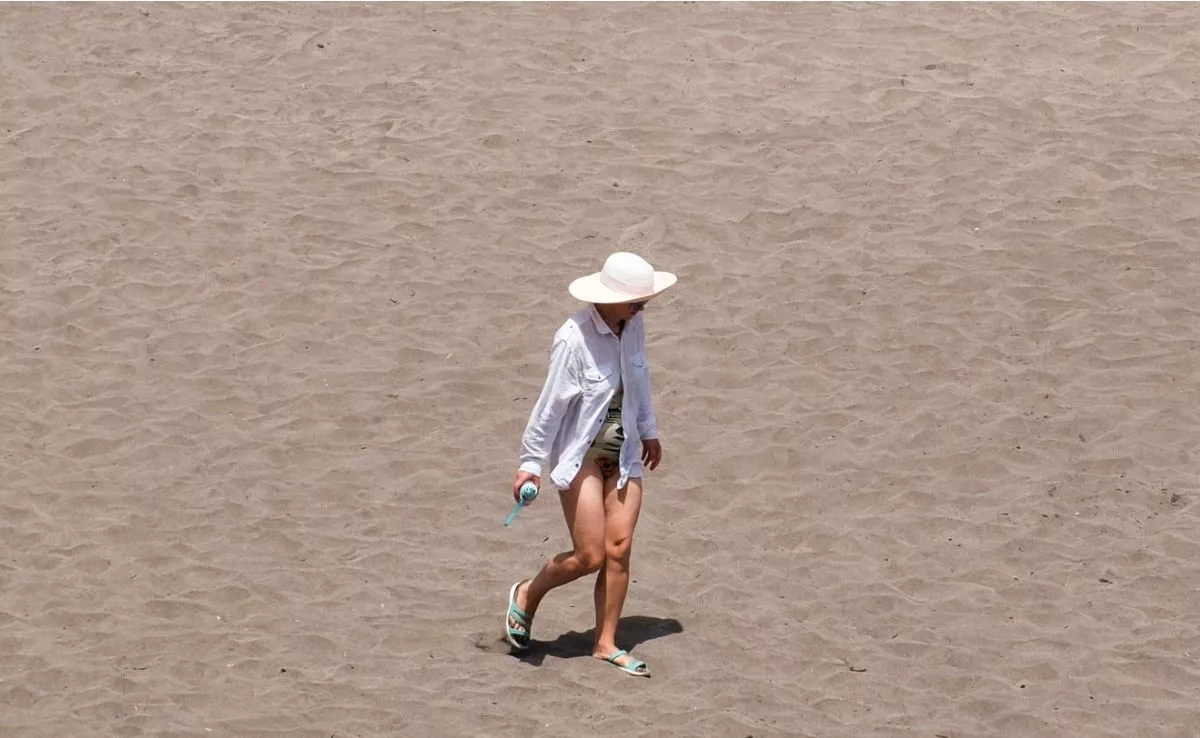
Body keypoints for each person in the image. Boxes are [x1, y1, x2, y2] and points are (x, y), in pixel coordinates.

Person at [504, 251, 677, 678]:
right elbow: (550, 407)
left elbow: (640, 381)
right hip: (582, 455)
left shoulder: (633, 326)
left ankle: (605, 643)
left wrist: (649, 430)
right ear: (610, 299)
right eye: (636, 302)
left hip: (625, 454)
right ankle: (528, 593)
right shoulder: (573, 338)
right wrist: (530, 462)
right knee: (589, 555)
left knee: (619, 549)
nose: (642, 309)